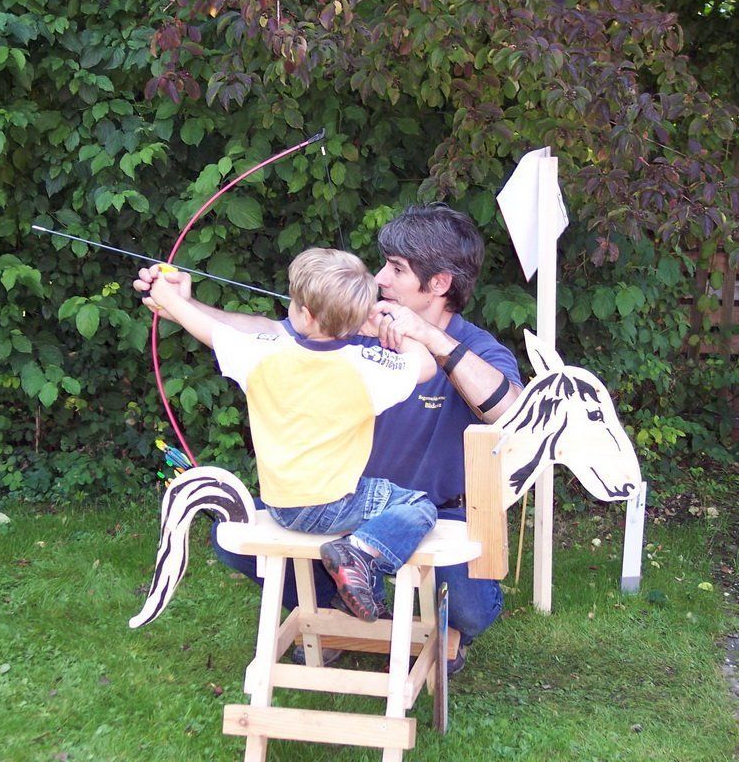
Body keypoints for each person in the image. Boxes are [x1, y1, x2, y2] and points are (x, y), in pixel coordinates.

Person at [134, 203, 523, 672]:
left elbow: (513, 414)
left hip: (435, 515)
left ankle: (391, 608)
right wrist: (183, 306)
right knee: (232, 534)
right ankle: (341, 605)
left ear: (439, 284)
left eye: (396, 269)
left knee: (472, 610)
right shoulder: (352, 325)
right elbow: (267, 335)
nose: (380, 278)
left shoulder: (475, 348)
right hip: (339, 505)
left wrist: (431, 339)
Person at [145, 246, 438, 622]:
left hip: (281, 506)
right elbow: (426, 365)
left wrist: (168, 296)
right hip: (335, 505)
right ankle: (361, 553)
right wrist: (389, 328)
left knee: (378, 508)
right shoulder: (367, 368)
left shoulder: (260, 354)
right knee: (418, 505)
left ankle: (357, 575)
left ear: (306, 314)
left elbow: (206, 328)